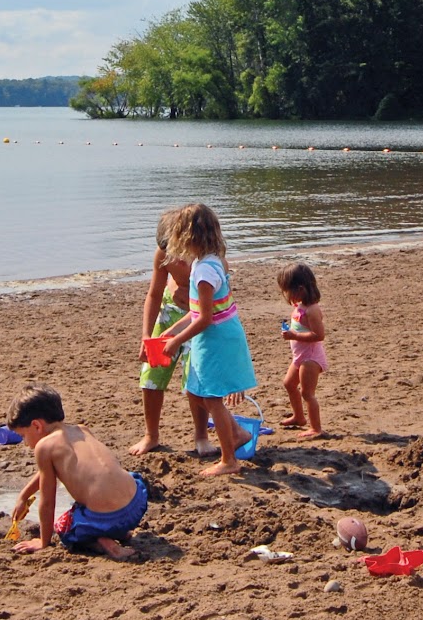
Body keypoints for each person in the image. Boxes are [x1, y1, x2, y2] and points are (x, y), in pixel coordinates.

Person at [159, 203, 256, 477]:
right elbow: (195, 312)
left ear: (188, 237)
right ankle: (236, 433)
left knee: (212, 399)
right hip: (213, 336)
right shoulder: (209, 261)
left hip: (216, 339)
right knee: (195, 392)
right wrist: (171, 330)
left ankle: (229, 460)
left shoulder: (203, 272)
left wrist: (177, 341)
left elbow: (204, 318)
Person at [8, 387, 148, 559]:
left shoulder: (45, 447)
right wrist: (24, 496)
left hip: (109, 518)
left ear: (36, 425)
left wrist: (43, 541)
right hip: (137, 505)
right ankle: (120, 532)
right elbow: (46, 472)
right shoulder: (82, 430)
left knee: (64, 528)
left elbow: (48, 500)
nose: (24, 442)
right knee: (126, 478)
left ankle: (105, 542)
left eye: (23, 435)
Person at [130, 210, 215, 458]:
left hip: (196, 319)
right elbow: (154, 294)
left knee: (195, 379)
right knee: (152, 374)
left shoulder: (207, 258)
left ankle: (201, 435)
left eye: (178, 250)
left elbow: (214, 302)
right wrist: (146, 335)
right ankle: (151, 435)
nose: (175, 257)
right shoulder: (163, 254)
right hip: (169, 313)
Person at [277, 262, 328, 439]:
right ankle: (299, 417)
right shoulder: (300, 307)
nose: (285, 295)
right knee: (289, 384)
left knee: (307, 393)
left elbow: (318, 335)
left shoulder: (312, 310)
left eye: (287, 291)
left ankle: (316, 428)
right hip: (299, 356)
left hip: (311, 358)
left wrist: (294, 336)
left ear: (299, 289)